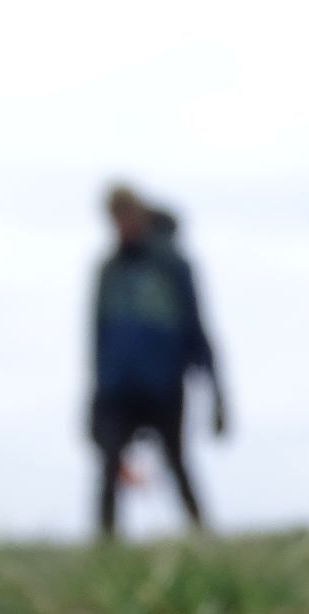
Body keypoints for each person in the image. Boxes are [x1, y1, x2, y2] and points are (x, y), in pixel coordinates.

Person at [89, 184, 224, 538]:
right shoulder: (109, 270)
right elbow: (97, 336)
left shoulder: (172, 265)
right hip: (117, 388)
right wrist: (95, 396)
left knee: (177, 463)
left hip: (164, 385)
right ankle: (105, 544)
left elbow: (196, 327)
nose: (121, 225)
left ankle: (201, 533)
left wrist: (217, 393)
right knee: (108, 465)